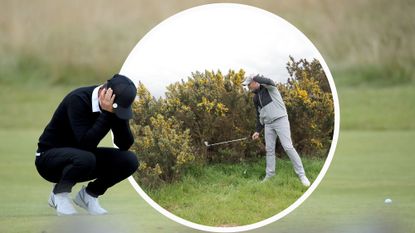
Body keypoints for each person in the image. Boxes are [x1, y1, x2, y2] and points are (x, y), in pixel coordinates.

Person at [35, 74, 139, 216]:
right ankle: (59, 194)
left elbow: (124, 144)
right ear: (104, 93)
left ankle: (89, 196)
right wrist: (108, 114)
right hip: (48, 159)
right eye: (116, 108)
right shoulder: (77, 99)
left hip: (81, 158)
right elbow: (85, 144)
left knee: (129, 160)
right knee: (86, 157)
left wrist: (118, 117)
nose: (116, 111)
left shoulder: (111, 109)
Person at [242, 74, 310, 187]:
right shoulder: (255, 98)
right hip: (268, 125)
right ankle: (270, 175)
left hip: (281, 120)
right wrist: (257, 131)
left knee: (288, 147)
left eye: (249, 84)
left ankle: (302, 175)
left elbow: (269, 81)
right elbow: (259, 115)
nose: (248, 87)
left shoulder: (270, 88)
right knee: (269, 150)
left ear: (254, 82)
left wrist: (255, 76)